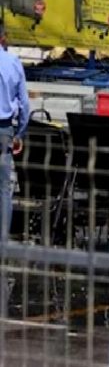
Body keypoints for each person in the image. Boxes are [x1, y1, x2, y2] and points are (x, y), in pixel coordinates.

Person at [0, 25, 28, 317]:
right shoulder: (13, 62)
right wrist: (19, 131)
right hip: (4, 130)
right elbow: (25, 103)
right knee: (4, 189)